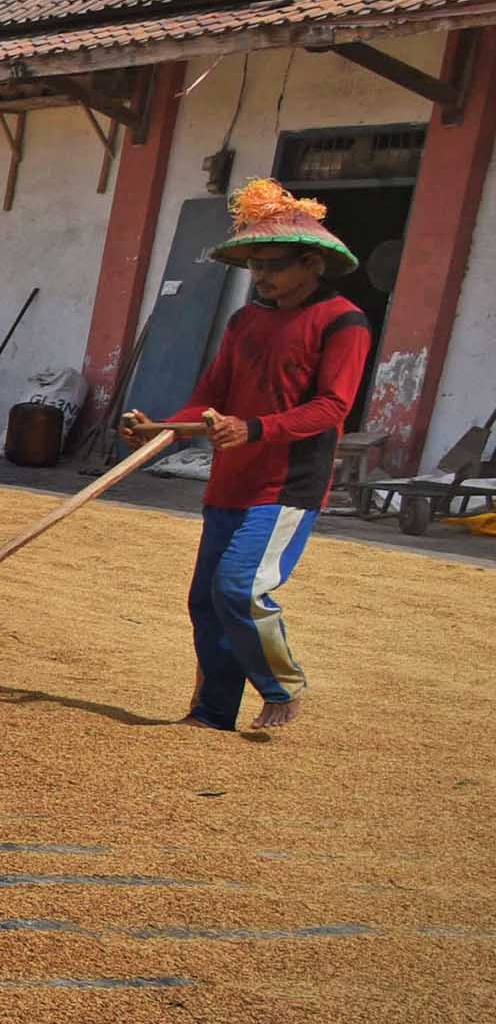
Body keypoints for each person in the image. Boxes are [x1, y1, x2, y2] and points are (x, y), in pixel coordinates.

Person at [119, 177, 369, 734]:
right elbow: (212, 396)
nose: (263, 276)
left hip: (286, 485)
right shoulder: (244, 321)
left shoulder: (343, 321)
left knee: (239, 587)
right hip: (231, 480)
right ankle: (211, 714)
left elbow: (332, 406)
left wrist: (253, 429)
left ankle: (281, 687)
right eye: (256, 266)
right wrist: (164, 429)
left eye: (276, 265)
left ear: (312, 264)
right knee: (206, 600)